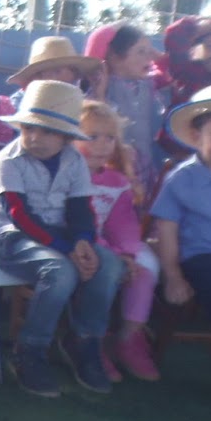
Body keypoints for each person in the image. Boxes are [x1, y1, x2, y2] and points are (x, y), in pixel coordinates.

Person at [0, 79, 124, 397]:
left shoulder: (74, 160)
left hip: (60, 237)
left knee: (110, 265)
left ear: (66, 136)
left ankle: (83, 342)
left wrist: (83, 240)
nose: (35, 137)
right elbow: (19, 215)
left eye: (47, 131)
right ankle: (29, 350)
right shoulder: (8, 160)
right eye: (28, 128)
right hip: (10, 238)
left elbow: (80, 208)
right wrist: (66, 248)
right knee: (59, 271)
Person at [151, 83, 211, 408]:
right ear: (197, 136)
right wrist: (172, 275)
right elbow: (166, 229)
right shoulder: (183, 178)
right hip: (206, 258)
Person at [77, 100, 160, 382]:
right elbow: (75, 224)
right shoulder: (66, 176)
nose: (102, 145)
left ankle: (127, 338)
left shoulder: (116, 181)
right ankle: (92, 341)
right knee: (108, 268)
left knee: (144, 271)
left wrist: (127, 253)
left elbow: (122, 223)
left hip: (106, 244)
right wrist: (114, 253)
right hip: (78, 243)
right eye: (92, 136)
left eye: (109, 138)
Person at [85, 23, 167, 199]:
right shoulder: (101, 87)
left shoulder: (149, 85)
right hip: (112, 166)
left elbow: (174, 70)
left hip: (143, 168)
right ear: (114, 57)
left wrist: (157, 56)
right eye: (141, 52)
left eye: (150, 51)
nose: (149, 57)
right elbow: (92, 122)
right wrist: (100, 94)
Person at [152, 15, 211, 157]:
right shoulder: (187, 72)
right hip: (179, 150)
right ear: (198, 49)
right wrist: (198, 24)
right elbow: (175, 38)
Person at [3, 35, 100, 112]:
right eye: (40, 74)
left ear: (74, 73)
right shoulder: (19, 102)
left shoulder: (81, 102)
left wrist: (99, 95)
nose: (49, 78)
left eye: (57, 71)